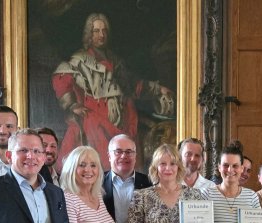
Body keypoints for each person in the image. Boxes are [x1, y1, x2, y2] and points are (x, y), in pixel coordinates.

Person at [52, 13, 174, 170]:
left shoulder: (115, 60)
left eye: (104, 31)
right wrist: (72, 105)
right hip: (96, 116)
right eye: (96, 31)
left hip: (122, 117)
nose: (101, 35)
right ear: (89, 34)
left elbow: (132, 84)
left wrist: (158, 89)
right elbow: (61, 78)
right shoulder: (80, 59)